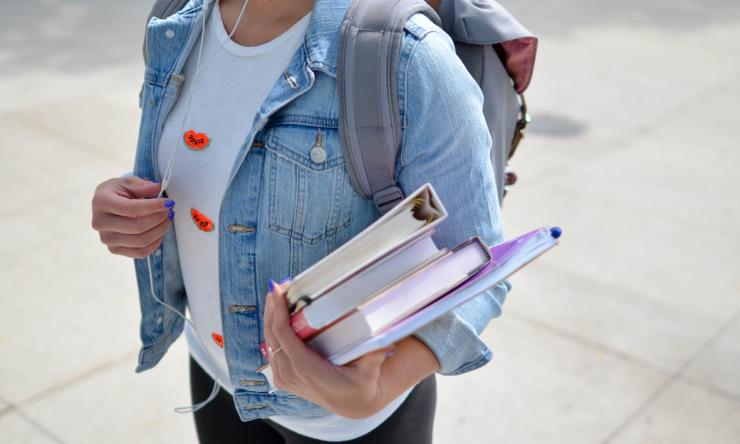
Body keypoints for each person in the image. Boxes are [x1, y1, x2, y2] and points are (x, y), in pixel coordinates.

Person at [90, 0, 508, 442]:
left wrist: (378, 388)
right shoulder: (177, 20)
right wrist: (127, 204)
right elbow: (200, 162)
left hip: (351, 424)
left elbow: (476, 261)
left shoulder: (407, 56)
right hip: (216, 380)